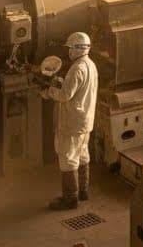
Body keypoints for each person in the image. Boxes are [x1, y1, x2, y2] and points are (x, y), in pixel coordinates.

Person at [43, 31, 98, 210]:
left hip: (72, 123)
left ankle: (70, 199)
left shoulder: (77, 68)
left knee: (68, 159)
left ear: (77, 49)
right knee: (82, 156)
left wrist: (49, 91)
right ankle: (83, 191)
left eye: (70, 48)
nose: (68, 52)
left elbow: (65, 95)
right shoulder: (90, 65)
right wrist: (61, 80)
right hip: (85, 121)